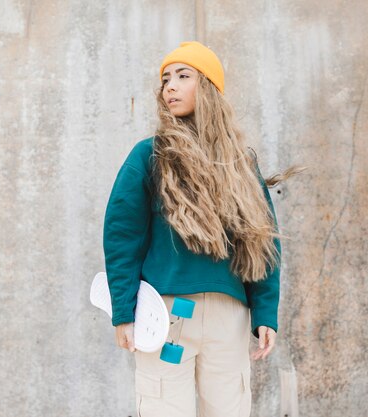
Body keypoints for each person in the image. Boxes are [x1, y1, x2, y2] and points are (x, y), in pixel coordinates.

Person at [102, 41, 303, 417]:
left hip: (229, 316)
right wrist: (124, 311)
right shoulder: (149, 155)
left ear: (208, 87)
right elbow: (122, 235)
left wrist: (265, 313)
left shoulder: (240, 164)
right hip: (164, 315)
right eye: (165, 79)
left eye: (183, 76)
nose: (170, 87)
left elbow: (263, 242)